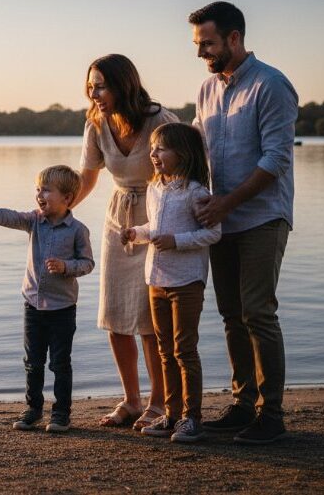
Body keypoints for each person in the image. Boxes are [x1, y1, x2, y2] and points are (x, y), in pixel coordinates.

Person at [188, 1, 297, 445]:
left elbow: (277, 159)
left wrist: (228, 202)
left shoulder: (271, 85)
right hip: (221, 219)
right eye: (197, 44)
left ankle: (270, 415)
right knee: (231, 315)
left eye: (207, 43)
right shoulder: (206, 90)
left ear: (235, 38)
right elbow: (196, 149)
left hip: (262, 217)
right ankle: (240, 404)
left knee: (258, 313)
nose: (201, 53)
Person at [74, 54, 177, 430]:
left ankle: (159, 402)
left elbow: (187, 172)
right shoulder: (97, 123)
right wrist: (58, 210)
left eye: (100, 85)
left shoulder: (160, 121)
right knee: (116, 317)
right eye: (90, 85)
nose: (93, 92)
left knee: (149, 320)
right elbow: (87, 178)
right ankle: (131, 400)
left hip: (157, 218)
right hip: (118, 220)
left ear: (122, 84)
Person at [0, 165, 94, 433]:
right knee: (32, 362)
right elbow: (8, 216)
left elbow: (87, 263)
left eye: (46, 190)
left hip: (62, 309)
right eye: (37, 189)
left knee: (60, 363)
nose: (39, 194)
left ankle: (61, 413)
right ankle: (33, 410)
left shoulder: (78, 230)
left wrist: (67, 267)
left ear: (67, 198)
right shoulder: (34, 221)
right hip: (33, 306)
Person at [121, 122, 221, 443]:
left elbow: (212, 233)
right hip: (156, 279)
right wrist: (136, 234)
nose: (153, 154)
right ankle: (172, 414)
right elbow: (155, 227)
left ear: (184, 153)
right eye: (152, 148)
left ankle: (192, 418)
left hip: (187, 281)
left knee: (184, 350)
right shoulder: (155, 188)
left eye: (161, 148)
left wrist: (176, 241)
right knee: (165, 351)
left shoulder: (196, 192)